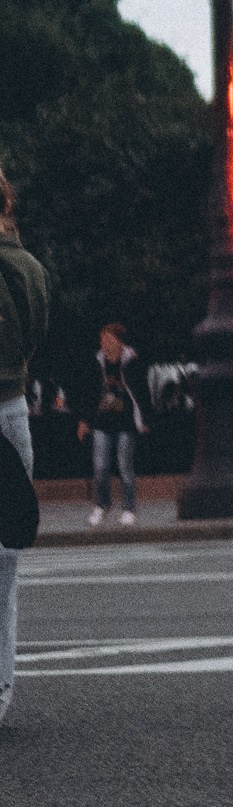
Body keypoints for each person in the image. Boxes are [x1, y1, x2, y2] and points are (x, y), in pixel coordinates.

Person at [1, 162, 56, 729]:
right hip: (12, 411)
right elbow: (37, 339)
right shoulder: (30, 269)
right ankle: (1, 692)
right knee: (4, 568)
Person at [77, 322, 146, 527]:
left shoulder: (132, 361)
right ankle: (102, 504)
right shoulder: (97, 363)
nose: (104, 344)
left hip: (126, 422)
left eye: (108, 339)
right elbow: (88, 394)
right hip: (102, 421)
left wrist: (145, 419)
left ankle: (129, 507)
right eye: (102, 340)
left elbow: (142, 392)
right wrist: (84, 421)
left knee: (125, 466)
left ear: (119, 341)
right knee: (100, 466)